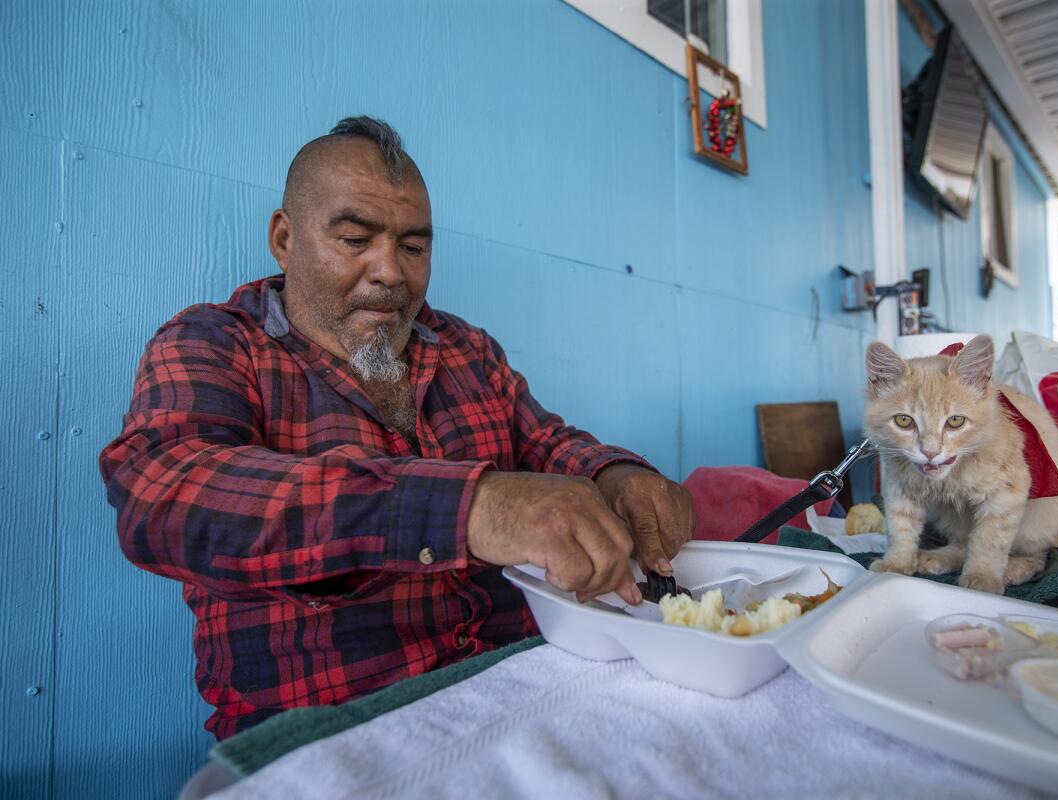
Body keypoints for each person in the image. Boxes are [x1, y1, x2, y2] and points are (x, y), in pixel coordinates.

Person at [99, 116, 693, 740]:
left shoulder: (465, 347)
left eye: (413, 247)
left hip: (519, 687)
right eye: (356, 239)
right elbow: (163, 495)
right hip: (332, 730)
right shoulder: (214, 343)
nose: (391, 272)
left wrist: (615, 473)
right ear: (284, 238)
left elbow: (543, 440)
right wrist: (470, 508)